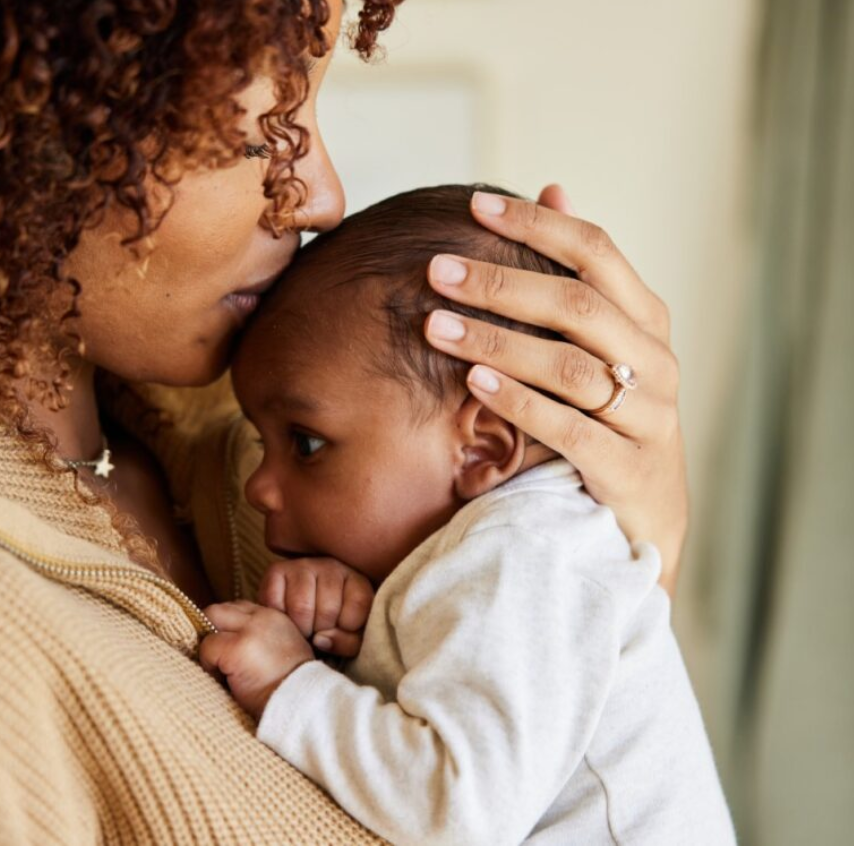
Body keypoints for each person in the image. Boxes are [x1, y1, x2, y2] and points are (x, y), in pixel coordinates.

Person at [0, 0, 688, 843]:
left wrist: (634, 545)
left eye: (311, 113)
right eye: (256, 132)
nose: (322, 196)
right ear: (13, 121)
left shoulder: (283, 444)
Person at [201, 185, 735, 846]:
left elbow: (458, 811)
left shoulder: (524, 552)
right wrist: (365, 639)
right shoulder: (505, 549)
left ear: (482, 445)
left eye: (305, 442)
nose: (257, 487)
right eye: (261, 440)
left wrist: (293, 684)